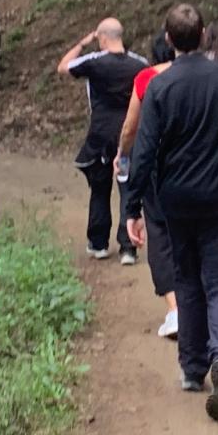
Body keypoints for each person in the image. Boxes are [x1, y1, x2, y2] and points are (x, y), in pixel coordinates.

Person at [125, 4, 218, 422]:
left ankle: (192, 367)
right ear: (203, 34)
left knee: (187, 277)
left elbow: (144, 151)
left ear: (168, 40)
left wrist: (132, 207)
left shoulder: (160, 87)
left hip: (175, 201)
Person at [58, 18, 148, 264]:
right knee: (128, 188)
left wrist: (81, 43)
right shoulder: (140, 64)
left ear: (102, 38)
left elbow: (63, 67)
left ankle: (98, 243)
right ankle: (128, 248)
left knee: (99, 188)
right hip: (130, 133)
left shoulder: (94, 62)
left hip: (100, 134)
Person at [119, 40, 186, 340]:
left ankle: (175, 309)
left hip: (156, 164)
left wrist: (123, 153)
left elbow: (131, 127)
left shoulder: (146, 78)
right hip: (191, 161)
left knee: (159, 235)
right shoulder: (190, 75)